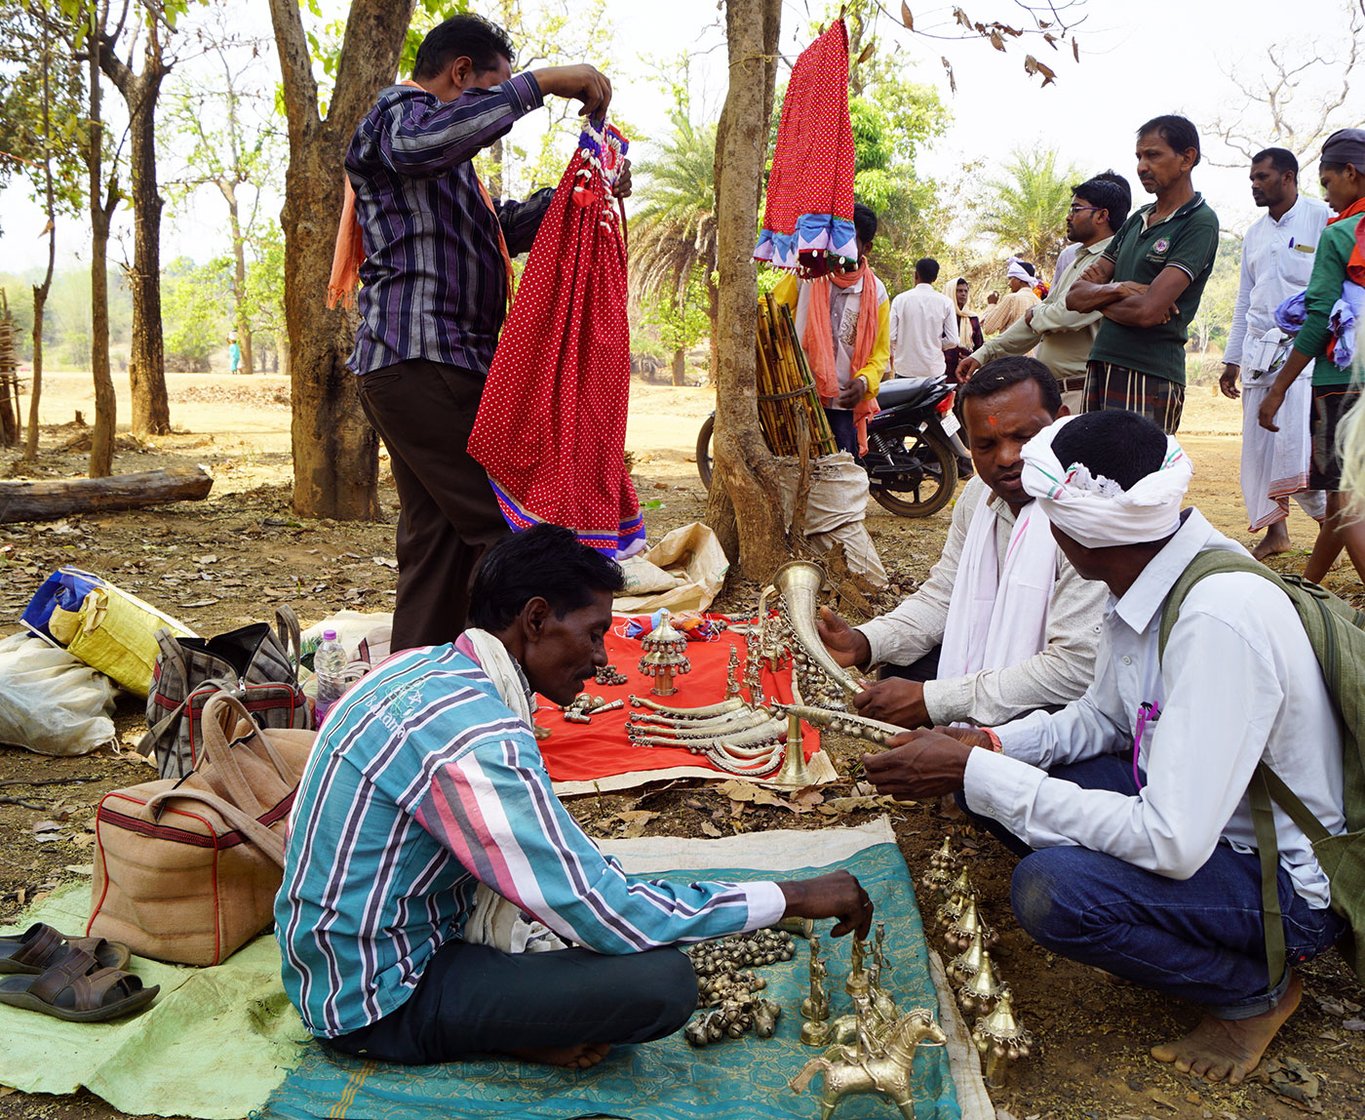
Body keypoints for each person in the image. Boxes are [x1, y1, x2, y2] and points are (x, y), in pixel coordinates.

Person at [859, 409, 1346, 1086]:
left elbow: (1172, 840)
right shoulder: (1148, 571)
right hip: (1210, 831)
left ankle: (1252, 990)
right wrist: (991, 745)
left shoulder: (1216, 619)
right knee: (1007, 779)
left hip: (1283, 887)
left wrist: (977, 769)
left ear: (1075, 535)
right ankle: (1186, 941)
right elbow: (1105, 717)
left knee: (1053, 891)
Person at [277, 524, 873, 1070]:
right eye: (593, 633)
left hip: (340, 957)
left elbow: (555, 865)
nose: (601, 659)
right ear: (535, 620)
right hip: (373, 999)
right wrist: (791, 896)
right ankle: (483, 1031)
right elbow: (603, 910)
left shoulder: (418, 668)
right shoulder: (476, 736)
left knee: (593, 925)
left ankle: (503, 1016)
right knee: (662, 984)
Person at [341, 14, 628, 651]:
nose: (495, 109)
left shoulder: (452, 167)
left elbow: (499, 227)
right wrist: (541, 83)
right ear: (461, 73)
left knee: (438, 542)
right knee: (512, 527)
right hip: (421, 358)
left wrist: (583, 191)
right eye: (489, 89)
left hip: (432, 365)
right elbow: (425, 145)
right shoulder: (399, 117)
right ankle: (523, 676)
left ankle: (417, 683)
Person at [816, 357, 1107, 729]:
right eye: (985, 444)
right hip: (1011, 671)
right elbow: (943, 597)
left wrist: (936, 701)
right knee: (900, 668)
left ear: (1061, 421)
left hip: (1077, 701)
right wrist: (865, 642)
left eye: (1024, 438)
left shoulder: (1085, 507)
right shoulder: (977, 497)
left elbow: (1075, 669)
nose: (1006, 458)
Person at [1257, 128, 1365, 586]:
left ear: (1350, 173)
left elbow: (1319, 317)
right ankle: (1307, 588)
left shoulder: (1341, 234)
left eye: (1328, 181)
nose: (1327, 193)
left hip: (1343, 381)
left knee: (1348, 503)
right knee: (1345, 501)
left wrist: (1278, 388)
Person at [1066, 115, 1221, 433]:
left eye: (1153, 155)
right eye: (1139, 156)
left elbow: (1149, 311)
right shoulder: (1137, 220)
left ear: (1187, 158)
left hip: (1149, 371)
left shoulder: (1199, 222)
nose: (1141, 166)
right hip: (1103, 362)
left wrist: (1101, 299)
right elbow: (1073, 297)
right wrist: (1123, 289)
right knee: (1093, 475)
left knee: (1138, 478)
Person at [1219, 148, 1330, 560]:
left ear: (1288, 177)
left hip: (1304, 357)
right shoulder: (1253, 234)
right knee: (1260, 449)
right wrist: (1232, 360)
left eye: (1262, 177)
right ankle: (1275, 533)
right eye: (1252, 178)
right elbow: (1246, 300)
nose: (1254, 184)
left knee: (1296, 448)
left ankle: (1329, 526)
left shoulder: (1321, 218)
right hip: (1257, 355)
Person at [958, 172, 1131, 413]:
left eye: (1076, 209)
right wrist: (984, 353)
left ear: (1102, 215)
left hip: (1083, 395)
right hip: (1059, 392)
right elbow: (1042, 318)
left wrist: (1036, 315)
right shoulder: (1076, 261)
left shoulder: (1111, 263)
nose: (1068, 217)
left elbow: (1067, 314)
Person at [773, 203, 890, 456]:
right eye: (836, 239)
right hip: (798, 395)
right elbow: (770, 310)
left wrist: (863, 382)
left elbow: (880, 356)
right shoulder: (806, 274)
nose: (837, 249)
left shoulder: (877, 294)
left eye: (848, 242)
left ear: (866, 248)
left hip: (842, 406)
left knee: (838, 478)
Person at [888, 257, 958, 380]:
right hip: (933, 371)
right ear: (935, 278)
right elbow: (953, 340)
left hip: (905, 370)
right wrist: (935, 344)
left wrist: (906, 344)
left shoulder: (900, 300)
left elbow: (890, 336)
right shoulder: (946, 302)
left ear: (916, 275)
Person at [980, 259, 1040, 336]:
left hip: (1012, 348)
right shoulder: (1039, 301)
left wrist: (991, 304)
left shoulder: (1011, 299)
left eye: (1011, 278)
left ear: (1019, 279)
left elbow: (988, 328)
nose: (1009, 284)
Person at [943, 276, 984, 380]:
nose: (963, 294)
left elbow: (980, 346)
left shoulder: (972, 318)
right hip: (942, 373)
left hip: (965, 374)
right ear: (950, 293)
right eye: (959, 291)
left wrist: (972, 358)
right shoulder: (941, 317)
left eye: (966, 291)